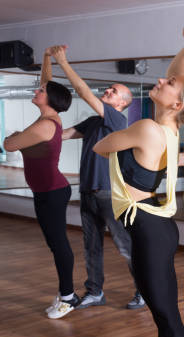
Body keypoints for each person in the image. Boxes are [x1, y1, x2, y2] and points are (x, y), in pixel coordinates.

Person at [93, 41, 184, 337]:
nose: (160, 79)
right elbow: (178, 76)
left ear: (177, 102)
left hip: (151, 232)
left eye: (169, 82)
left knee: (167, 318)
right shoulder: (171, 127)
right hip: (151, 229)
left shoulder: (146, 128)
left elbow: (100, 145)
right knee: (162, 317)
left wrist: (112, 137)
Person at [49, 45, 143, 310]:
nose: (108, 92)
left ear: (122, 104)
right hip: (88, 192)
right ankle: (95, 292)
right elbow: (61, 134)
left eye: (114, 92)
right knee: (91, 247)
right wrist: (39, 128)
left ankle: (144, 291)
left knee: (126, 248)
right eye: (109, 89)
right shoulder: (93, 121)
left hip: (109, 194)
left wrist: (63, 63)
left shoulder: (116, 120)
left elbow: (83, 92)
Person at [3, 47, 80, 319]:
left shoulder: (44, 125)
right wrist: (47, 58)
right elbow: (47, 84)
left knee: (58, 244)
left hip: (52, 191)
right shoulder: (46, 117)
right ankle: (66, 293)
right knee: (54, 243)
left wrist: (15, 136)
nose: (37, 90)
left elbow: (8, 144)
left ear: (49, 99)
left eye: (41, 91)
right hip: (46, 190)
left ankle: (69, 297)